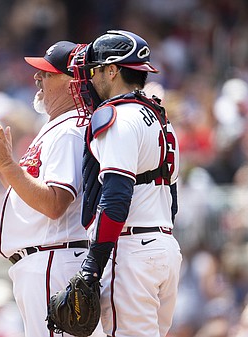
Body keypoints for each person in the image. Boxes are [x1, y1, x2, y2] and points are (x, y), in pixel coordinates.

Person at [65, 30, 182, 337]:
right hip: (164, 248)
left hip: (131, 251)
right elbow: (173, 201)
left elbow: (116, 198)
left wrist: (93, 264)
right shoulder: (159, 117)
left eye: (95, 70)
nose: (90, 78)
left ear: (112, 70)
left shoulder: (118, 117)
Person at [0, 41, 91, 336]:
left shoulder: (69, 131)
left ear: (72, 83)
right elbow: (29, 196)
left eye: (48, 73)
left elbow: (54, 204)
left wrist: (7, 163)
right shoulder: (58, 126)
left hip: (54, 260)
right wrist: (1, 165)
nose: (37, 78)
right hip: (45, 260)